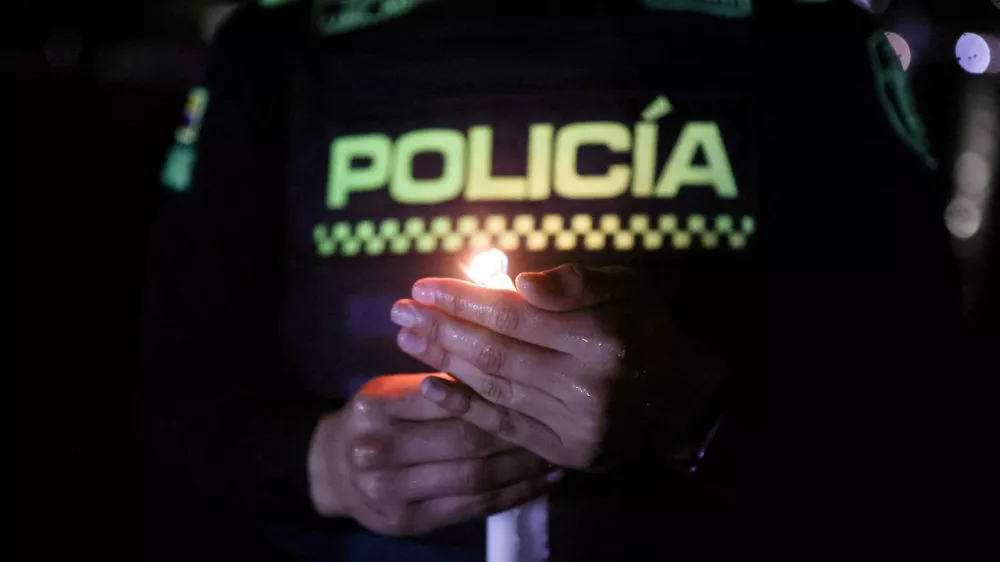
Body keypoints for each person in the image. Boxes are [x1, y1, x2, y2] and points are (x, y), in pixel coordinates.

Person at [140, 0, 961, 560]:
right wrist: (322, 463)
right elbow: (168, 389)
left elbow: (935, 407)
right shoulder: (283, 46)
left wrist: (700, 417)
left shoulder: (802, 36)